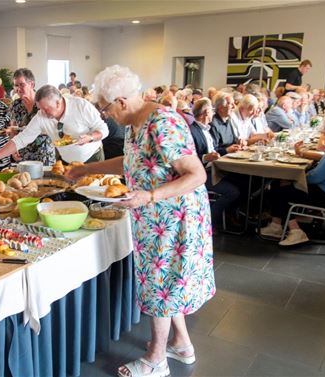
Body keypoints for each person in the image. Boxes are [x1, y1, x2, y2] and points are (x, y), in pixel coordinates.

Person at [66, 65, 214, 377]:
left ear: (120, 101)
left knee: (160, 286)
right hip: (157, 216)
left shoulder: (161, 122)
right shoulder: (138, 121)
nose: (105, 116)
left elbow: (197, 174)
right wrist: (84, 171)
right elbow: (132, 159)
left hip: (173, 218)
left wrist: (148, 196)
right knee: (167, 284)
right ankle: (182, 345)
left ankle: (156, 360)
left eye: (105, 108)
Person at [260, 112, 325, 245]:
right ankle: (276, 225)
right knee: (281, 185)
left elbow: (318, 176)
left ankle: (295, 231)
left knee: (280, 190)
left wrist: (298, 179)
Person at [0, 85, 108, 167]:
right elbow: (21, 139)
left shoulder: (81, 106)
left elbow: (103, 129)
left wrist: (90, 137)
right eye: (40, 109)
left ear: (58, 103)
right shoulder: (41, 115)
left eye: (46, 109)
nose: (43, 113)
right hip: (67, 162)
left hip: (92, 159)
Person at [189, 98, 240, 229]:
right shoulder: (192, 131)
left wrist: (227, 150)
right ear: (206, 113)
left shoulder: (207, 130)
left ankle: (232, 216)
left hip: (214, 170)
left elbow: (214, 151)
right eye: (211, 111)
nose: (213, 113)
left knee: (243, 182)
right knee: (233, 192)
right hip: (203, 174)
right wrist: (206, 157)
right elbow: (190, 158)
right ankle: (210, 222)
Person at [7, 68, 55, 166]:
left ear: (32, 84)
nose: (18, 89)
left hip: (44, 152)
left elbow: (54, 126)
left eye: (22, 84)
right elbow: (13, 129)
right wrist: (13, 149)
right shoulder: (15, 105)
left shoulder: (44, 102)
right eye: (16, 85)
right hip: (23, 154)